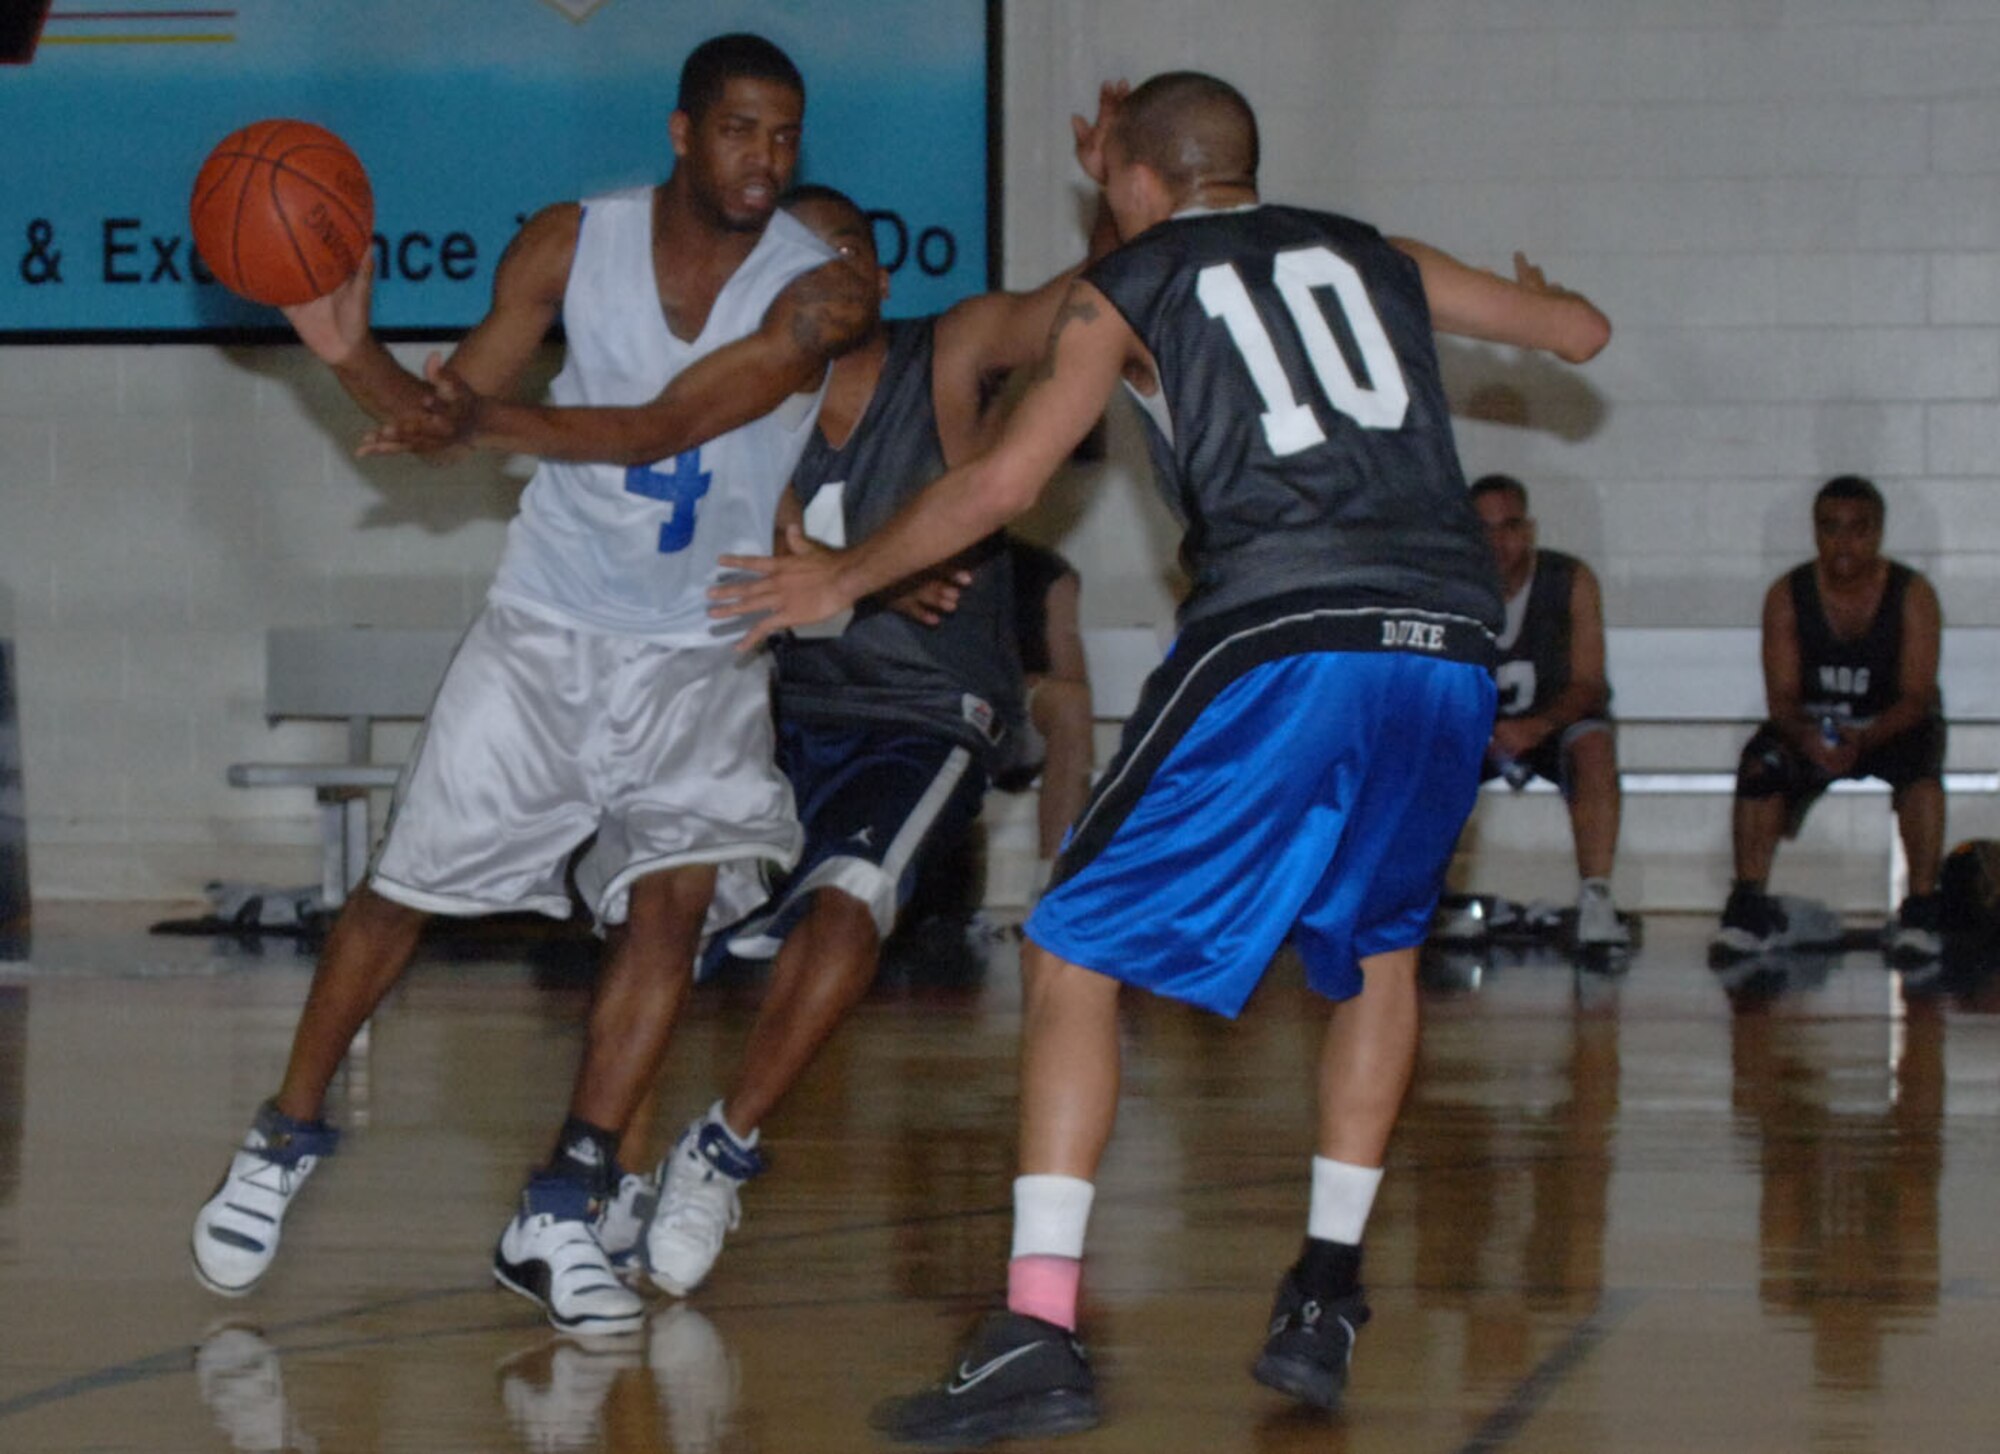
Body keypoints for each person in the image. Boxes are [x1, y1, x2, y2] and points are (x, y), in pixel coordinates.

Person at [709, 70, 1610, 1440]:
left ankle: (1038, 1327)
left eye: (1107, 181)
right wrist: (1536, 293)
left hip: (1286, 624)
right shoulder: (1378, 254)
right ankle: (1324, 1286)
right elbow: (1581, 331)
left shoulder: (1130, 282)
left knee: (1071, 945)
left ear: (1132, 179)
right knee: (1376, 948)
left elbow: (1003, 482)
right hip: (1447, 638)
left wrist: (843, 577)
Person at [189, 33, 875, 1338]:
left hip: (704, 650)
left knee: (670, 911)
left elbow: (660, 427)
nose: (765, 158)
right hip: (551, 631)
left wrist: (476, 422)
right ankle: (283, 1134)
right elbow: (441, 407)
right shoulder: (569, 243)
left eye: (785, 136)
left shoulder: (824, 290)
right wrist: (347, 350)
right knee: (402, 896)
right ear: (682, 132)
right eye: (740, 130)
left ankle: (561, 1199)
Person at [632, 161, 1118, 1299]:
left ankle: (723, 1145)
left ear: (875, 271)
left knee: (847, 911)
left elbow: (1084, 301)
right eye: (792, 264)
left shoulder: (945, 352)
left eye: (842, 255)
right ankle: (599, 1165)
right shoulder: (742, 398)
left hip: (917, 716)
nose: (824, 281)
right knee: (648, 914)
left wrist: (1116, 200)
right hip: (768, 707)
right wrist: (841, 579)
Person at [1712, 475, 1945, 965]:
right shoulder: (1787, 595)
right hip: (1813, 727)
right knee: (1759, 764)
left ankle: (1922, 911)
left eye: (1858, 529)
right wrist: (1809, 736)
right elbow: (1782, 699)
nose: (1844, 542)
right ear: (1816, 533)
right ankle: (1749, 909)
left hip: (1889, 726)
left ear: (1878, 533)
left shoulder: (1911, 594)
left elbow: (1917, 695)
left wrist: (1864, 738)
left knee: (1921, 773)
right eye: (1831, 528)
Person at [1434, 473, 1628, 951]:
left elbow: (1590, 684)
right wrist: (1477, 729)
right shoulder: (1446, 588)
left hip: (1550, 726)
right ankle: (1431, 899)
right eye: (1483, 529)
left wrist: (1536, 726)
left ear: (1530, 530)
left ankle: (1596, 900)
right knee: (1418, 750)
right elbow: (1429, 686)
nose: (1497, 542)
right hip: (1476, 729)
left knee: (1595, 743)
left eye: (1509, 527)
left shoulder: (1570, 580)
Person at [1001, 535, 1093, 891]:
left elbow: (1069, 675)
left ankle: (1052, 888)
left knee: (1069, 703)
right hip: (935, 704)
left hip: (1014, 717)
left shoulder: (1043, 572)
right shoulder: (914, 559)